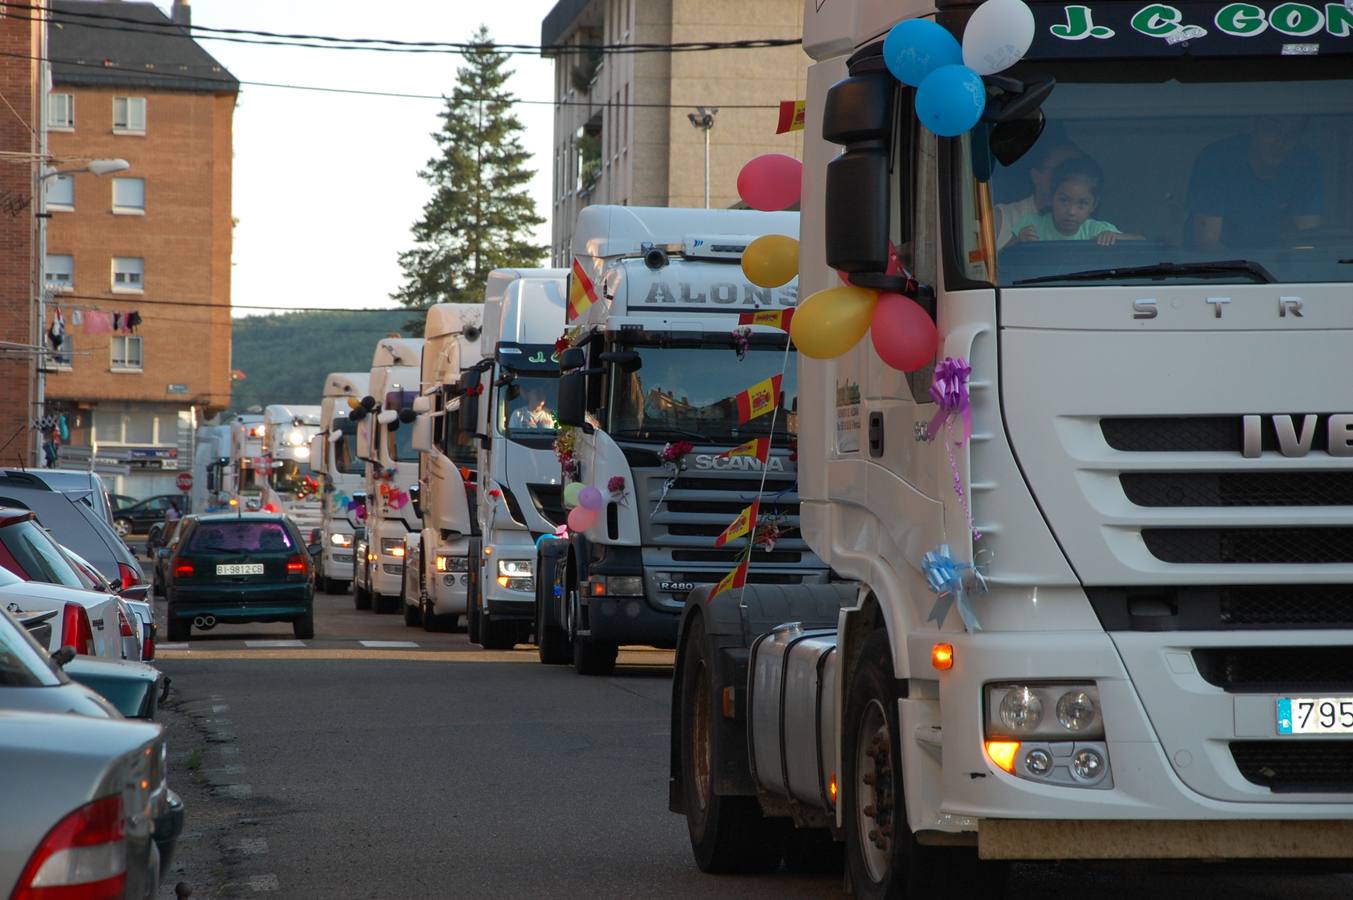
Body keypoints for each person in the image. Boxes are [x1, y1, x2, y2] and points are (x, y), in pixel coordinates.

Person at [1187, 116, 1322, 249]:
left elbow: (1306, 240)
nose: (1280, 143)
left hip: (1280, 264)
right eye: (1272, 129)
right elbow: (1207, 243)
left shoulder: (1306, 162)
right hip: (1222, 266)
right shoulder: (1216, 160)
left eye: (1291, 134)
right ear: (1253, 126)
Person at [1013, 157, 1142, 246]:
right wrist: (1018, 242)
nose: (1071, 211)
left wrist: (1115, 237)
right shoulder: (1031, 225)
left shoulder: (1097, 230)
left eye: (1082, 203)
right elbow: (1000, 259)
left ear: (1094, 205)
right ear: (1052, 197)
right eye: (1064, 200)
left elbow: (1140, 240)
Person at [993, 134, 1084, 250]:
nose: (1069, 178)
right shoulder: (1002, 218)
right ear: (1035, 175)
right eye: (1060, 170)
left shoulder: (1088, 226)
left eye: (1075, 170)